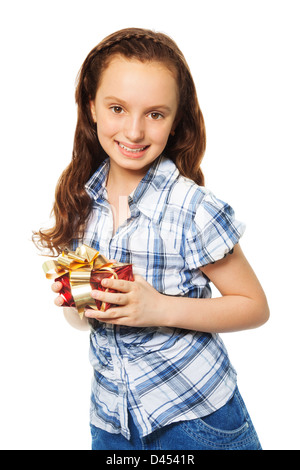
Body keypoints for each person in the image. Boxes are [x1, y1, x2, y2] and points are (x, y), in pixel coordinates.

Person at [33, 28, 269, 450]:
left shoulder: (192, 208)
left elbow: (254, 307)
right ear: (92, 108)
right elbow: (81, 320)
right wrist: (79, 302)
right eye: (118, 108)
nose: (135, 131)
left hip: (197, 418)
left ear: (175, 121)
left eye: (155, 114)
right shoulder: (79, 199)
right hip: (112, 421)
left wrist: (158, 307)